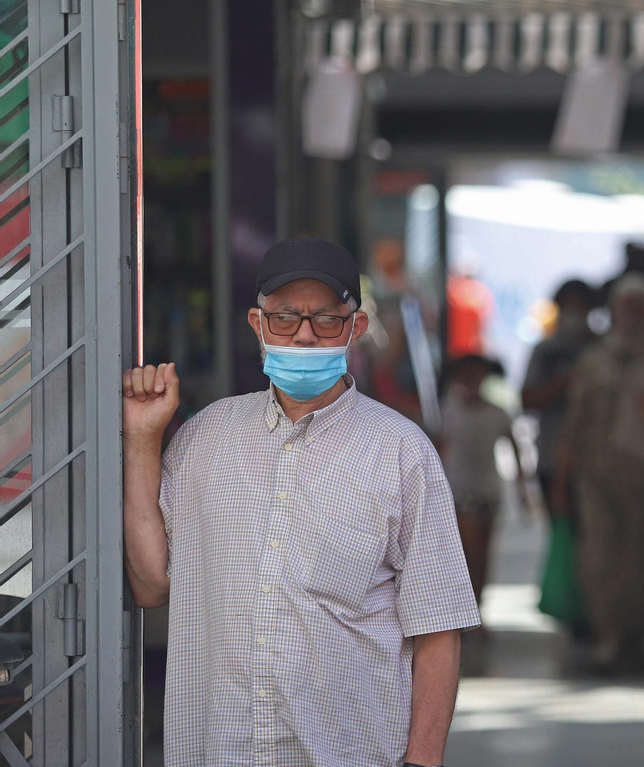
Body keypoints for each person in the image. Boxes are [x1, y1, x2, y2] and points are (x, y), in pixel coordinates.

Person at [122, 236, 479, 767]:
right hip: (219, 750)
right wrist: (144, 440)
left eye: (325, 320)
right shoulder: (206, 438)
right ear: (257, 325)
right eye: (285, 318)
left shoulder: (402, 453)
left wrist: (422, 763)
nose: (305, 335)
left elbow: (437, 629)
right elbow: (151, 584)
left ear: (355, 328)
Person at [554, 274, 644, 675]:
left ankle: (636, 637)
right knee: (599, 557)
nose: (631, 316)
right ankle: (608, 638)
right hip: (597, 476)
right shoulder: (594, 360)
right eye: (625, 307)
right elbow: (573, 424)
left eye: (639, 307)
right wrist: (561, 482)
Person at [440, 354, 523, 608]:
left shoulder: (497, 413)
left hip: (489, 491)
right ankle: (465, 609)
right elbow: (438, 450)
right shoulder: (448, 412)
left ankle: (477, 607)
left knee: (483, 553)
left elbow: (515, 447)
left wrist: (522, 487)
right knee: (468, 552)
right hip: (461, 490)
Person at [522, 279, 599, 503]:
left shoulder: (602, 350)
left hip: (596, 460)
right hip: (551, 456)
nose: (574, 313)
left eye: (580, 307)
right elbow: (527, 400)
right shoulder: (545, 350)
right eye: (568, 306)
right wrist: (564, 382)